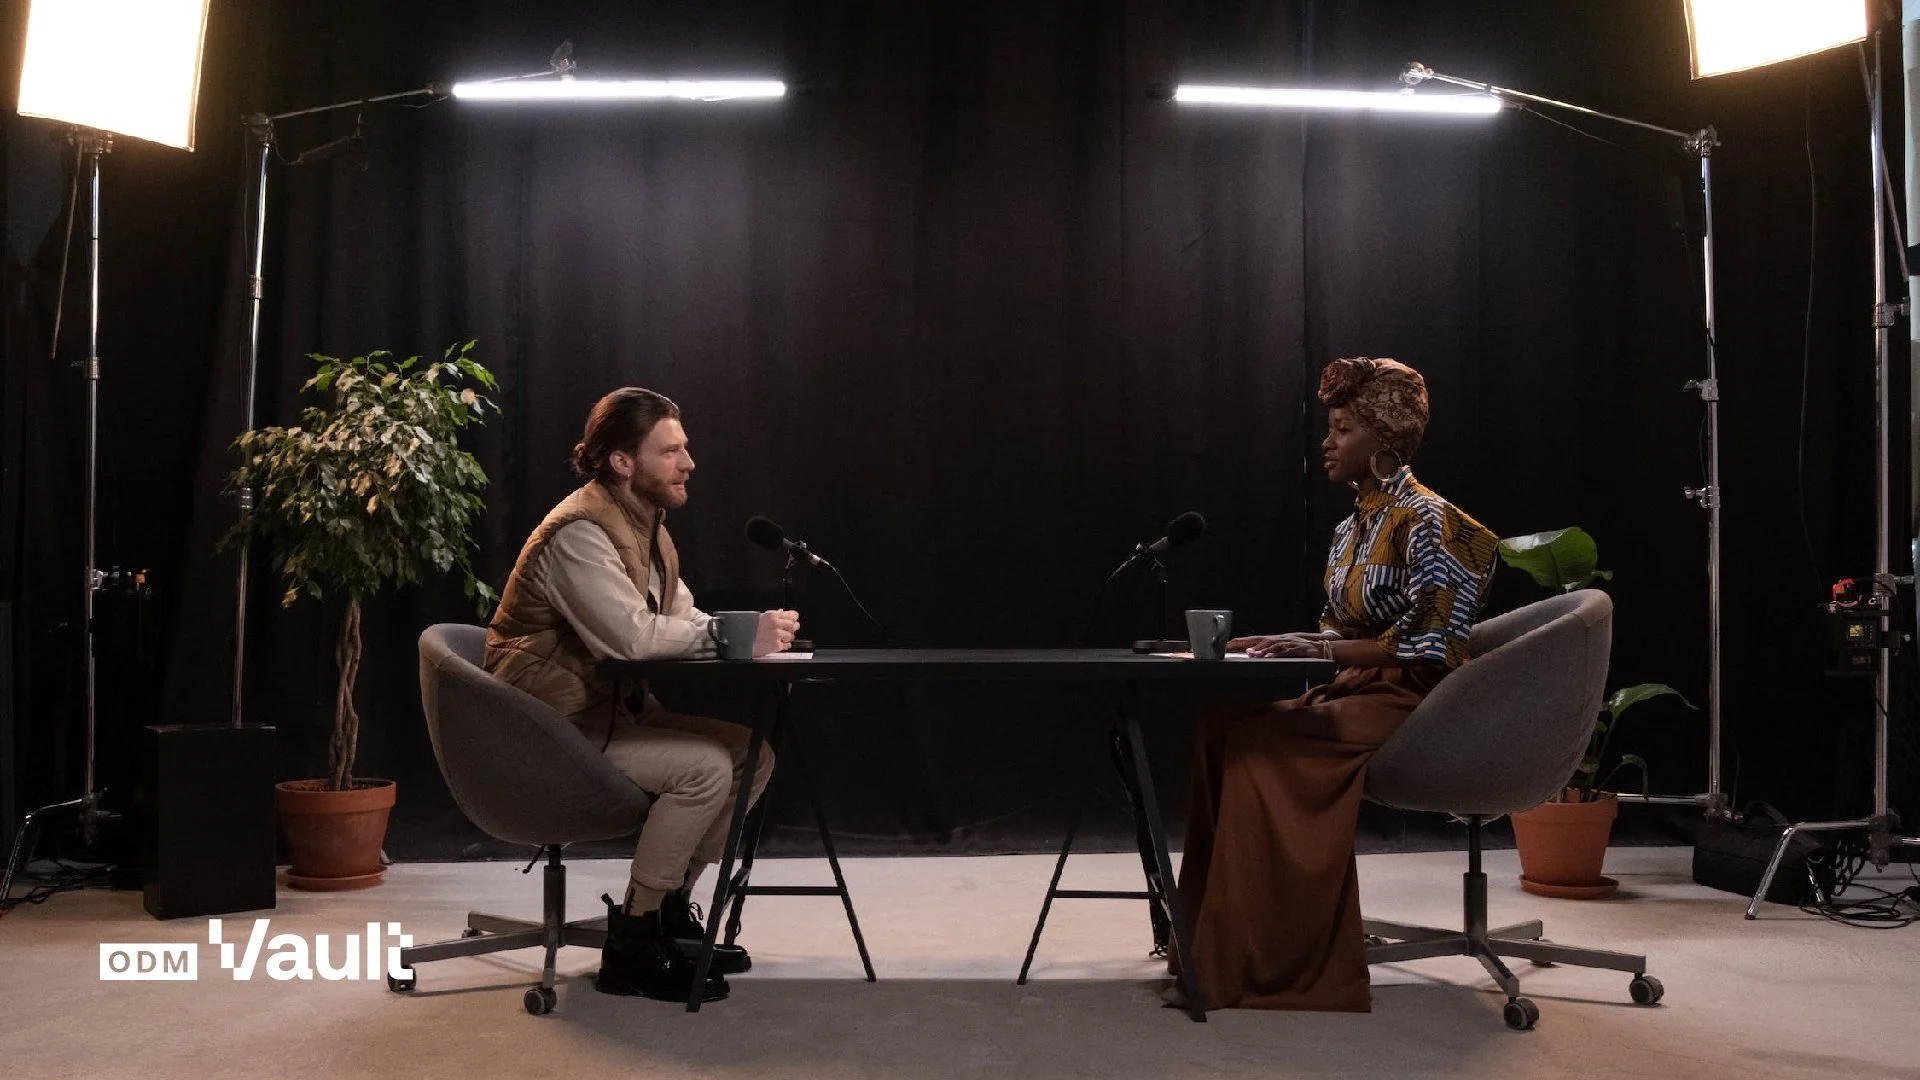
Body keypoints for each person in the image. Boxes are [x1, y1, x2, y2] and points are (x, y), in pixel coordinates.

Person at [1172, 356, 1497, 1012]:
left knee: (1259, 745)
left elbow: (1429, 644)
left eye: (1344, 429)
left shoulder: (1437, 523)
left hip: (1419, 702)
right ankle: (1208, 946)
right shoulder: (1351, 529)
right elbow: (1337, 632)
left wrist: (1322, 647)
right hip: (1356, 687)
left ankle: (1270, 965)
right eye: (1331, 428)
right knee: (1220, 728)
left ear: (1384, 440)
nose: (1328, 441)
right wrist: (1265, 642)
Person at [484, 387, 800, 1005]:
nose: (689, 463)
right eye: (671, 451)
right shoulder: (578, 532)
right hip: (549, 729)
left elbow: (683, 618)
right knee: (704, 770)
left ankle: (667, 912)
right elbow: (629, 638)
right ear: (622, 461)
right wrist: (735, 638)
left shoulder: (646, 528)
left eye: (685, 448)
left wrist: (753, 634)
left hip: (600, 717)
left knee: (751, 755)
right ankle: (632, 943)